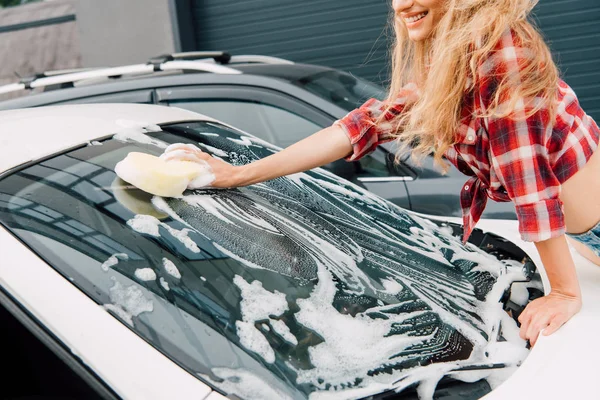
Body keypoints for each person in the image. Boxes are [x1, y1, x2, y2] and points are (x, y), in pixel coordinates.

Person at [162, 0, 599, 347]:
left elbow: (529, 179)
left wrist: (562, 291)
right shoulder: (455, 60)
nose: (399, 5)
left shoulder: (503, 53)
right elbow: (365, 124)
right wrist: (240, 174)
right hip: (585, 234)